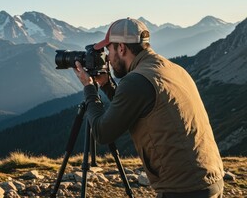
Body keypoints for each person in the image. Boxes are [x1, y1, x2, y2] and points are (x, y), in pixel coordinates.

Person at [73, 18, 225, 198]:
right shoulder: (172, 69)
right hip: (209, 180)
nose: (108, 57)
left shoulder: (136, 81)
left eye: (109, 49)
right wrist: (106, 85)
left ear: (121, 48)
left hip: (183, 190)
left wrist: (89, 88)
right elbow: (135, 106)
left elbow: (101, 132)